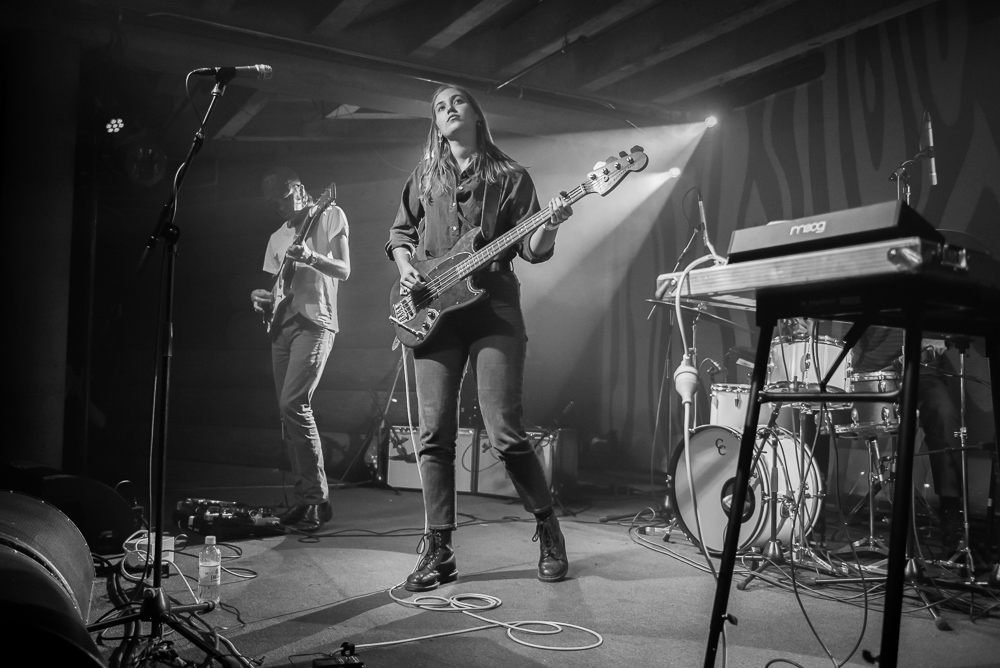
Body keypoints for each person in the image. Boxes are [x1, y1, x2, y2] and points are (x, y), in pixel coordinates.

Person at [386, 84, 572, 591]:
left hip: (492, 311)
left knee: (504, 432)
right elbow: (400, 234)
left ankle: (548, 527)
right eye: (439, 107)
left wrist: (550, 225)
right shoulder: (425, 174)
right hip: (431, 312)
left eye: (457, 102)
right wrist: (407, 269)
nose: (448, 110)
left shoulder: (511, 176)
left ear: (475, 113)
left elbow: (533, 250)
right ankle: (439, 548)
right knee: (433, 436)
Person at [251, 167, 351, 532]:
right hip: (282, 328)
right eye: (272, 200)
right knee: (287, 413)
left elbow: (344, 270)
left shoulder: (329, 215)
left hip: (315, 323)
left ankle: (314, 499)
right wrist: (258, 297)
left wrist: (311, 257)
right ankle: (307, 500)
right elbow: (274, 287)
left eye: (283, 195)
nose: (278, 204)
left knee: (294, 404)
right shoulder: (277, 237)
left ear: (301, 189)